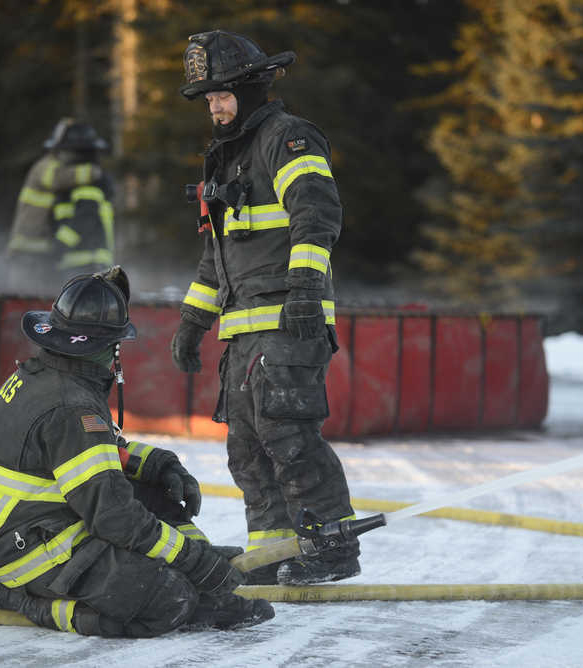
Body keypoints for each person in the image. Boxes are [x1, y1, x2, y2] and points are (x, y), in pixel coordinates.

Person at [0, 265, 273, 636]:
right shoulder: (71, 406)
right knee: (167, 601)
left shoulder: (52, 377)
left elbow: (95, 455)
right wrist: (193, 564)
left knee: (152, 491)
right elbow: (113, 517)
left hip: (43, 522)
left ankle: (198, 584)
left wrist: (159, 464)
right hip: (24, 548)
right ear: (105, 346)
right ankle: (26, 602)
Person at [169, 30, 360, 586]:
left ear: (251, 88)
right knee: (247, 448)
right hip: (244, 333)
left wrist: (305, 287)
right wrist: (192, 322)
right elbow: (217, 256)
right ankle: (273, 550)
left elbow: (316, 213)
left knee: (289, 437)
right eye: (209, 100)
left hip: (289, 321)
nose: (216, 107)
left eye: (223, 95)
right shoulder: (224, 162)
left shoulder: (288, 138)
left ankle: (331, 546)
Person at [6, 118, 115, 293]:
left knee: (40, 300)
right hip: (29, 249)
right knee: (25, 300)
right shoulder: (46, 166)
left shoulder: (69, 176)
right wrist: (96, 173)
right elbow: (58, 179)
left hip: (44, 250)